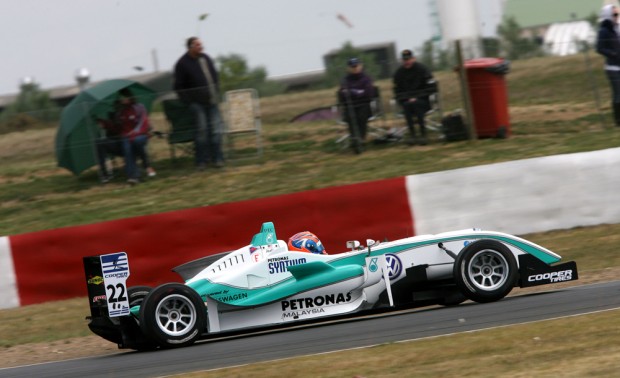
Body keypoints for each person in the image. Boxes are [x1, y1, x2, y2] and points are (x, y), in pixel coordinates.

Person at [173, 36, 225, 169]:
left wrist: (216, 91)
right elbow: (178, 87)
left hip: (212, 101)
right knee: (201, 131)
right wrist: (190, 102)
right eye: (197, 45)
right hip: (197, 104)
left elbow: (214, 77)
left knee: (216, 130)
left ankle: (217, 159)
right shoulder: (182, 63)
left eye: (201, 44)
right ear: (190, 47)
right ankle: (201, 161)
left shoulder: (206, 58)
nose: (201, 47)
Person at [96, 90, 155, 184]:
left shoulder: (139, 107)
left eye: (124, 97)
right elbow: (118, 129)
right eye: (121, 98)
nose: (122, 100)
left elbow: (144, 123)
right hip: (125, 139)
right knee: (100, 142)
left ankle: (136, 174)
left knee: (130, 143)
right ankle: (105, 174)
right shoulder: (120, 113)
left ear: (130, 97)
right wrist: (105, 124)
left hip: (139, 136)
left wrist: (133, 133)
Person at [393, 49, 435, 145]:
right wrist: (408, 98)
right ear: (402, 60)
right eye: (405, 60)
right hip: (407, 102)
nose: (407, 62)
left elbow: (431, 88)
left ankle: (423, 134)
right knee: (408, 105)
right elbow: (397, 92)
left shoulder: (423, 70)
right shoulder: (399, 74)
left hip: (424, 101)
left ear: (413, 59)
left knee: (416, 104)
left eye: (408, 59)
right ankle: (413, 135)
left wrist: (417, 97)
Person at [338, 58, 375, 153]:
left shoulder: (366, 79)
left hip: (364, 105)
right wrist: (357, 93)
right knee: (350, 116)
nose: (355, 68)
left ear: (360, 66)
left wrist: (354, 93)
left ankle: (361, 139)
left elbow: (369, 94)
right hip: (351, 106)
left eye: (356, 66)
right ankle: (355, 138)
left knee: (362, 116)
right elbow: (342, 95)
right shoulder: (345, 80)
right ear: (349, 68)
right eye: (352, 67)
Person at [596, 4, 620, 127]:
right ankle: (618, 121)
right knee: (618, 94)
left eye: (618, 14)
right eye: (615, 14)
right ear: (608, 15)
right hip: (612, 67)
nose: (617, 17)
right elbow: (599, 48)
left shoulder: (617, 28)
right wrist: (613, 54)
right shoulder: (604, 30)